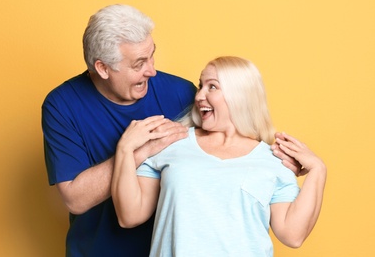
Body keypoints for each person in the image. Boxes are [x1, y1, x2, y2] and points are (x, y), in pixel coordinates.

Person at [112, 56, 327, 256]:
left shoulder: (274, 160)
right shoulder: (171, 142)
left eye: (212, 87)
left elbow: (293, 235)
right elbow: (129, 215)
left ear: (239, 94)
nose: (199, 96)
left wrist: (318, 170)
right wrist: (124, 150)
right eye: (200, 86)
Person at [41, 4, 197, 256]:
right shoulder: (62, 105)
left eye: (151, 55)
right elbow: (75, 199)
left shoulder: (182, 93)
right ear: (102, 68)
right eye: (138, 64)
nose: (152, 70)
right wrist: (136, 151)